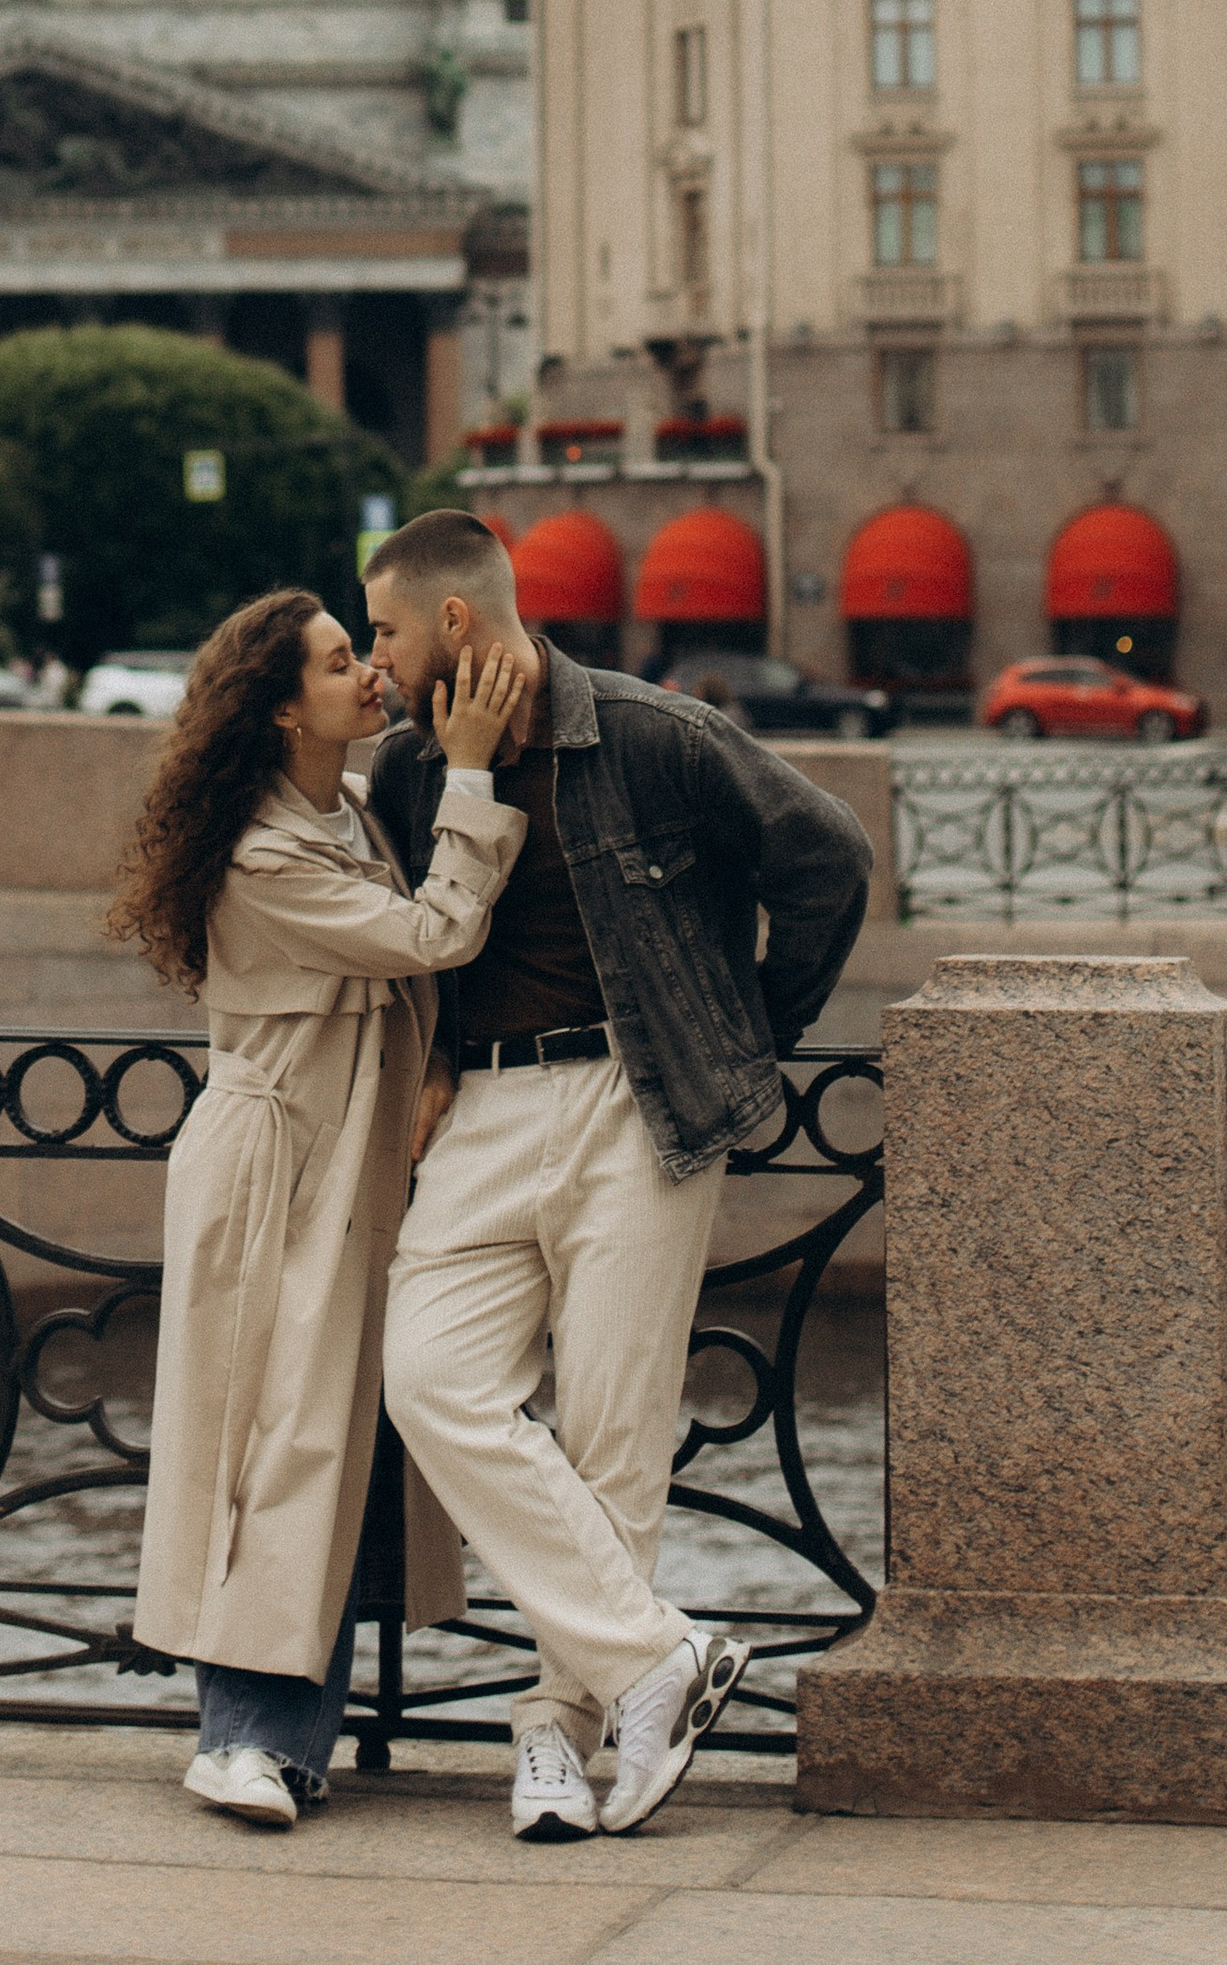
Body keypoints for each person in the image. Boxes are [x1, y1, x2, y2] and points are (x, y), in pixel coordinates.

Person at [359, 507, 872, 1844]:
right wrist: (434, 1060)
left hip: (636, 1106)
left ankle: (556, 1734)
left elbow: (829, 858)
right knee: (428, 1377)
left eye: (387, 631)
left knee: (610, 1438)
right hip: (482, 1112)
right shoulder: (412, 771)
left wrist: (745, 1036)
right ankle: (657, 1659)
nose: (377, 659)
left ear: (455, 621)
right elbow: (420, 935)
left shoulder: (655, 737)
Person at [116, 586, 535, 1830]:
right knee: (267, 1439)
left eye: (364, 653)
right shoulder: (263, 854)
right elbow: (437, 933)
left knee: (324, 1436)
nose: (370, 676)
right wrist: (470, 773)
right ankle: (236, 1740)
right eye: (340, 662)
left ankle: (285, 1745)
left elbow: (406, 983)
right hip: (277, 1167)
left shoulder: (343, 809)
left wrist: (438, 1064)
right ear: (279, 708)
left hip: (345, 1156)